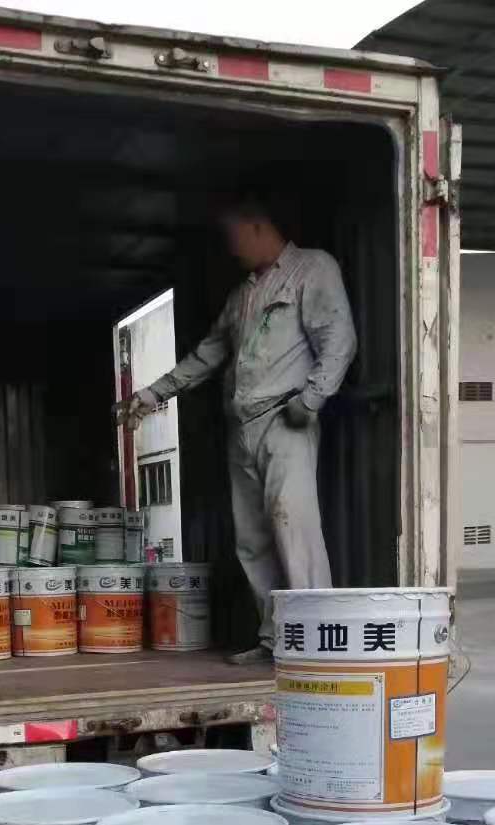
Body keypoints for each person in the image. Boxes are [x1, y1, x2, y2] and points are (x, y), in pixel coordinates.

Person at [115, 197, 356, 663]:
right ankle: (275, 640)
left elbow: (338, 338)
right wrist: (151, 394)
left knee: (294, 530)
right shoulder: (243, 294)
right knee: (253, 540)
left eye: (234, 237)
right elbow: (208, 354)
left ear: (257, 226)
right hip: (243, 426)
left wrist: (312, 398)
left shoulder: (311, 269)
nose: (231, 249)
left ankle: (315, 642)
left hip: (285, 420)